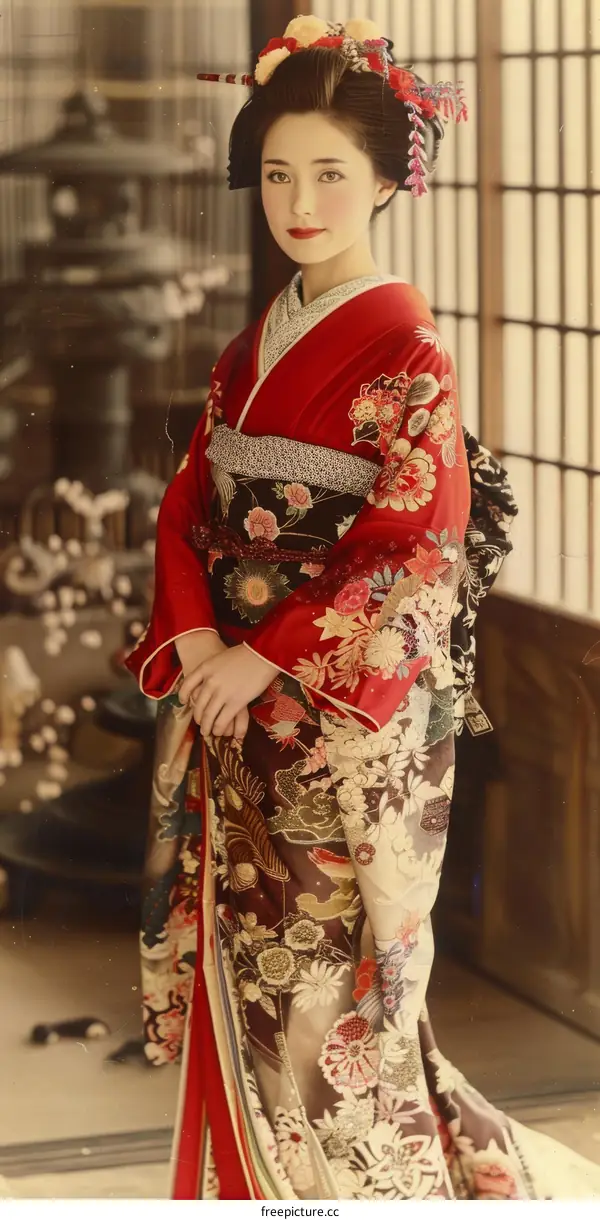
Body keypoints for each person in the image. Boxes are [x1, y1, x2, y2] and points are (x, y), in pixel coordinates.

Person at [125, 15, 600, 1201]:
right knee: (254, 976)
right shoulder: (252, 345)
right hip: (235, 699)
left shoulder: (410, 352)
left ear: (390, 179)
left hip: (327, 721)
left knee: (329, 1009)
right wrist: (196, 640)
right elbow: (187, 505)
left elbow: (415, 549)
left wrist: (271, 657)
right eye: (278, 172)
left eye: (330, 172)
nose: (300, 199)